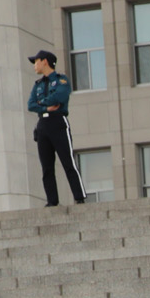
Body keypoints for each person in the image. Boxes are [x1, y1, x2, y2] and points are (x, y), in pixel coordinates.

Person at [27, 50, 86, 208]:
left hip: (58, 123)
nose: (35, 65)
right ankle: (52, 200)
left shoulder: (61, 80)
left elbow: (59, 97)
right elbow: (30, 105)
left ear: (45, 61)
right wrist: (46, 107)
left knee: (68, 162)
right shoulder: (38, 85)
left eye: (36, 61)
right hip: (43, 125)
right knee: (46, 167)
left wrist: (41, 104)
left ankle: (79, 197)